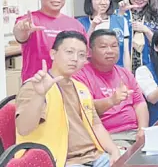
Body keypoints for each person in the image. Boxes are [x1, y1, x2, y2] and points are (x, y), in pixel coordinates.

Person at [15, 31, 120, 167]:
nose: (75, 58)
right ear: (53, 54)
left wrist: (114, 151)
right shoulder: (34, 86)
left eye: (81, 55)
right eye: (69, 52)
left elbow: (96, 125)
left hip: (95, 157)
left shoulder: (81, 88)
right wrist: (39, 95)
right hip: (60, 160)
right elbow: (23, 128)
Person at [73, 29, 149, 150]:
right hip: (108, 136)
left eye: (114, 46)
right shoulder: (80, 75)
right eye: (103, 46)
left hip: (134, 133)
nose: (110, 51)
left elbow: (140, 103)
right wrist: (111, 100)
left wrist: (143, 130)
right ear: (90, 51)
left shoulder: (124, 72)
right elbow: (85, 110)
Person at [13, 0, 87, 81]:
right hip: (37, 85)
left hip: (68, 86)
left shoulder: (76, 24)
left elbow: (84, 56)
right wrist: (22, 29)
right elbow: (20, 35)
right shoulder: (30, 20)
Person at [78, 0, 131, 70]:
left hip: (116, 72)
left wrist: (128, 76)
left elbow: (126, 52)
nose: (103, 2)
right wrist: (93, 26)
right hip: (90, 73)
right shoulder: (80, 23)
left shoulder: (120, 21)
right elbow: (82, 50)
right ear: (89, 0)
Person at [117, 0, 158, 71]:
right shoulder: (120, 12)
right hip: (123, 64)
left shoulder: (155, 14)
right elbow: (115, 36)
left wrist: (146, 30)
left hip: (148, 65)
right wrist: (121, 13)